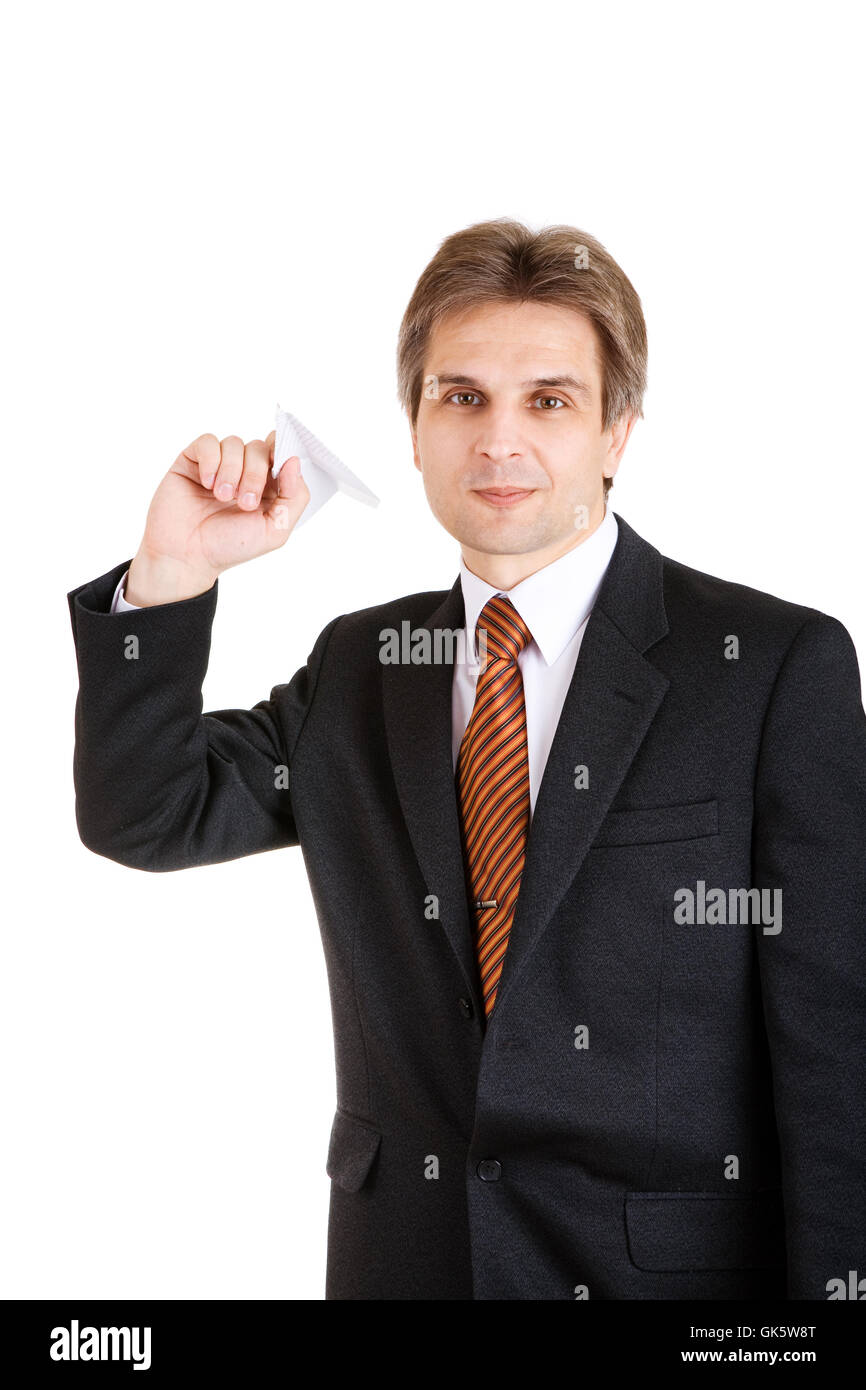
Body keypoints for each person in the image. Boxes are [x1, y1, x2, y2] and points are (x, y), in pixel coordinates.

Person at [67, 218, 866, 1300]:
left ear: (616, 431)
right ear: (412, 425)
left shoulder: (772, 667)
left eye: (548, 399)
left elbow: (836, 1053)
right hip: (405, 1267)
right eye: (461, 398)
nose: (498, 442)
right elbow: (146, 812)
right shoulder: (363, 665)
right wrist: (170, 572)